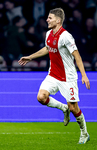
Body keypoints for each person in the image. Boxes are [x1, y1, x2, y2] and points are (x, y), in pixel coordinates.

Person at [18, 8, 90, 144]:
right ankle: (63, 108)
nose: (47, 20)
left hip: (68, 77)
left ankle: (84, 133)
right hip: (53, 75)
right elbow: (47, 48)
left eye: (50, 18)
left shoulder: (66, 36)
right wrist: (30, 57)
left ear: (58, 20)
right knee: (41, 97)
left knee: (74, 108)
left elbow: (77, 56)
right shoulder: (48, 34)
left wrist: (84, 75)